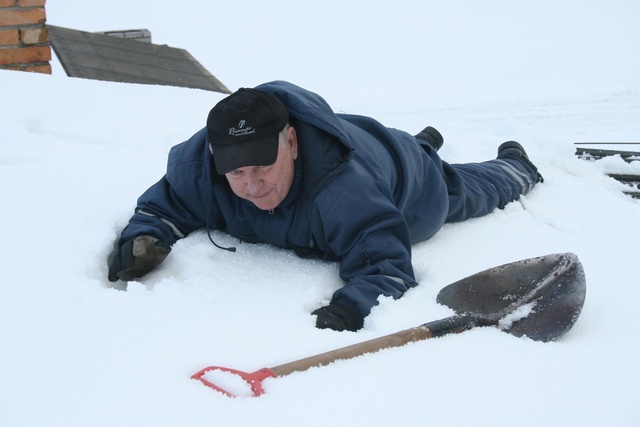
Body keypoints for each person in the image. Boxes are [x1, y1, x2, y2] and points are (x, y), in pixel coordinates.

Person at [107, 80, 543, 332]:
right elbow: (166, 204)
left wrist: (351, 307)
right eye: (236, 173)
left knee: (467, 190)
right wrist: (143, 236)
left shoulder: (343, 194)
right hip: (362, 141)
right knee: (413, 146)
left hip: (409, 180)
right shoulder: (201, 170)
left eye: (262, 165)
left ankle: (514, 164)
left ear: (292, 142)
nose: (252, 185)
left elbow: (385, 264)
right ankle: (424, 140)